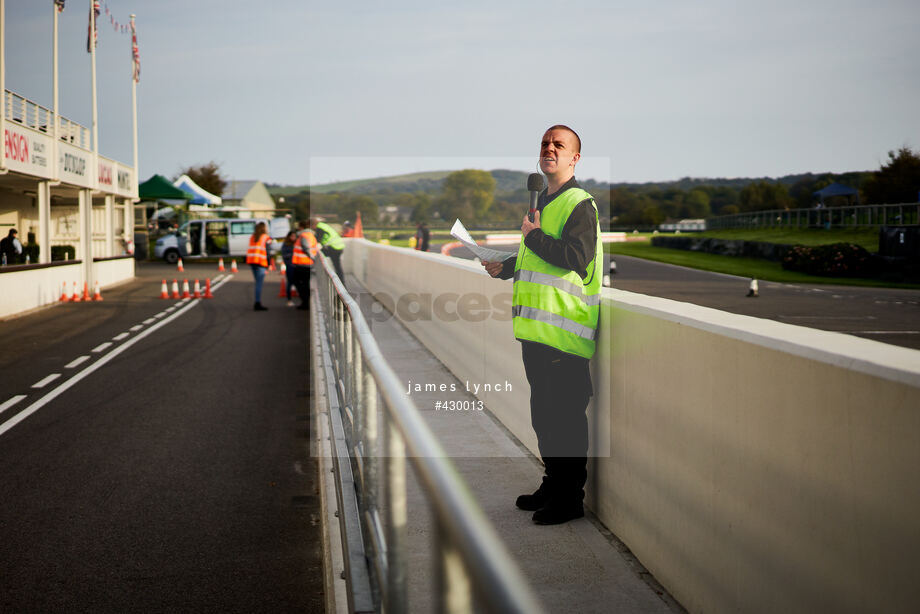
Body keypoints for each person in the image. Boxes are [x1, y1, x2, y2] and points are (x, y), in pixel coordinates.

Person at [482, 125, 601, 525]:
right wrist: (506, 266)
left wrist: (531, 239)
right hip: (537, 333)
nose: (550, 148)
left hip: (564, 335)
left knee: (565, 420)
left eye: (559, 145)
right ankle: (553, 484)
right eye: (545, 144)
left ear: (574, 158)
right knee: (544, 418)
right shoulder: (543, 204)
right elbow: (539, 259)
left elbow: (576, 257)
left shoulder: (579, 203)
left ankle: (570, 499)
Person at [290, 221, 317, 310]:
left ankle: (305, 302)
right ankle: (305, 302)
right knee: (304, 284)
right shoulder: (310, 235)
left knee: (299, 283)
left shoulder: (304, 235)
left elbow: (306, 248)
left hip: (303, 264)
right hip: (306, 264)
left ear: (302, 227)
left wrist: (313, 258)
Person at [246, 221, 273, 311]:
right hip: (261, 262)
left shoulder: (253, 237)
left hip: (252, 261)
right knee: (259, 283)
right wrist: (269, 264)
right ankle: (257, 303)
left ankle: (257, 302)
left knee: (257, 282)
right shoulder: (266, 238)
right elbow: (268, 252)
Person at [279, 231, 298, 306]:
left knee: (298, 282)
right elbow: (284, 255)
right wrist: (292, 255)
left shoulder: (297, 243)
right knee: (290, 283)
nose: (293, 238)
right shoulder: (286, 244)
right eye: (292, 236)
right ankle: (289, 299)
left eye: (294, 236)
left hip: (297, 266)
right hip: (290, 266)